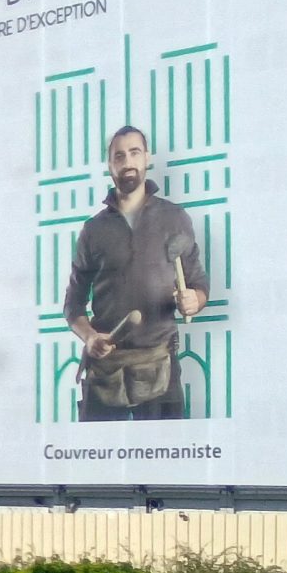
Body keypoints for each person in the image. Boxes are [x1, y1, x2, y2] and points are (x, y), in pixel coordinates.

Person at [63, 124, 207, 421]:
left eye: (134, 152)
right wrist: (90, 337)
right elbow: (72, 306)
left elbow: (199, 284)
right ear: (109, 164)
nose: (127, 161)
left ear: (147, 157)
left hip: (160, 364)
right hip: (105, 369)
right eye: (119, 156)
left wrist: (196, 300)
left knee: (165, 450)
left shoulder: (175, 218)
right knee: (95, 451)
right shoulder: (93, 230)